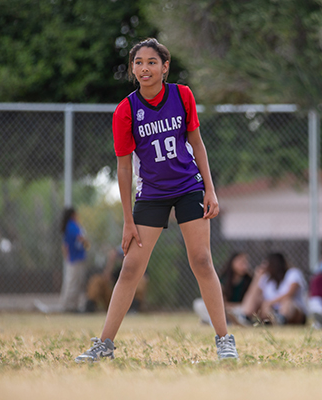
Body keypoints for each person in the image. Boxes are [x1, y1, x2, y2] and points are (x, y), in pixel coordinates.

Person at [75, 38, 238, 362]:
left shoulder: (182, 95)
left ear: (165, 67)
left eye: (152, 62)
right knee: (131, 267)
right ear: (132, 69)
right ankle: (104, 344)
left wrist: (210, 188)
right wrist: (128, 219)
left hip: (188, 186)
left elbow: (197, 143)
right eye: (138, 62)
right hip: (151, 193)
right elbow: (124, 168)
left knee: (202, 261)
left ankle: (224, 339)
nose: (144, 68)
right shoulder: (126, 110)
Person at [35, 207, 89, 314]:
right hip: (76, 258)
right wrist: (86, 244)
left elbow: (65, 245)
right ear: (73, 215)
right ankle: (69, 305)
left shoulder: (68, 226)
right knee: (74, 282)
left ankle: (70, 305)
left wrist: (67, 257)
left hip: (72, 258)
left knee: (72, 282)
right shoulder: (73, 225)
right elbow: (80, 238)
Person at [238, 253, 308, 325]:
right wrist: (257, 278)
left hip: (292, 311)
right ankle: (245, 317)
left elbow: (290, 293)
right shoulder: (267, 278)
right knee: (256, 298)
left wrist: (270, 302)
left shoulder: (293, 273)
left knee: (287, 302)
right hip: (271, 310)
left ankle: (281, 319)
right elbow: (253, 294)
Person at [193, 252, 253, 325]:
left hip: (238, 308)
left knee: (240, 311)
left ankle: (218, 321)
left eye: (245, 262)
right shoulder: (224, 279)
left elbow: (248, 304)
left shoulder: (250, 280)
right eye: (240, 261)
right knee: (198, 304)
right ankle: (216, 321)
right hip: (223, 308)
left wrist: (230, 307)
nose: (243, 264)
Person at [85, 246, 148, 313]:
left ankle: (133, 309)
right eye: (122, 256)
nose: (124, 259)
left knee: (141, 281)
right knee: (97, 280)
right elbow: (106, 278)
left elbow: (145, 279)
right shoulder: (118, 270)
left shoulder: (140, 268)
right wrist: (111, 262)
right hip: (115, 301)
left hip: (129, 298)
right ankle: (89, 307)